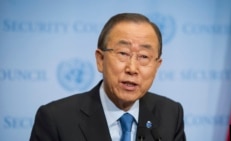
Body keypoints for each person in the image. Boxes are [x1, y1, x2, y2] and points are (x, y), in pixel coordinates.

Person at [30, 13, 186, 141]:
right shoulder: (56, 119)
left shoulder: (170, 114)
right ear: (100, 60)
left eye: (144, 56)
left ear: (157, 66)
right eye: (123, 53)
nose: (132, 68)